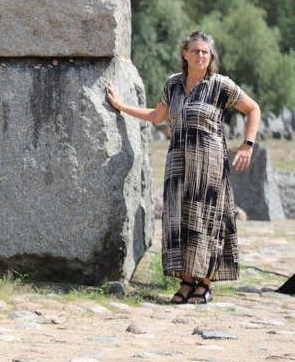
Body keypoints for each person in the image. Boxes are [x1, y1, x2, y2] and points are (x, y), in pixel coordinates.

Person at [106, 30, 261, 304]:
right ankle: (186, 282)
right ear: (185, 53)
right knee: (179, 219)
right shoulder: (173, 84)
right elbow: (157, 116)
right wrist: (120, 106)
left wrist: (248, 143)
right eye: (195, 50)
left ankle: (205, 283)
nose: (200, 55)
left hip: (209, 163)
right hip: (178, 163)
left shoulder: (220, 84)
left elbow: (253, 109)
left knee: (206, 220)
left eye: (205, 51)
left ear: (210, 56)